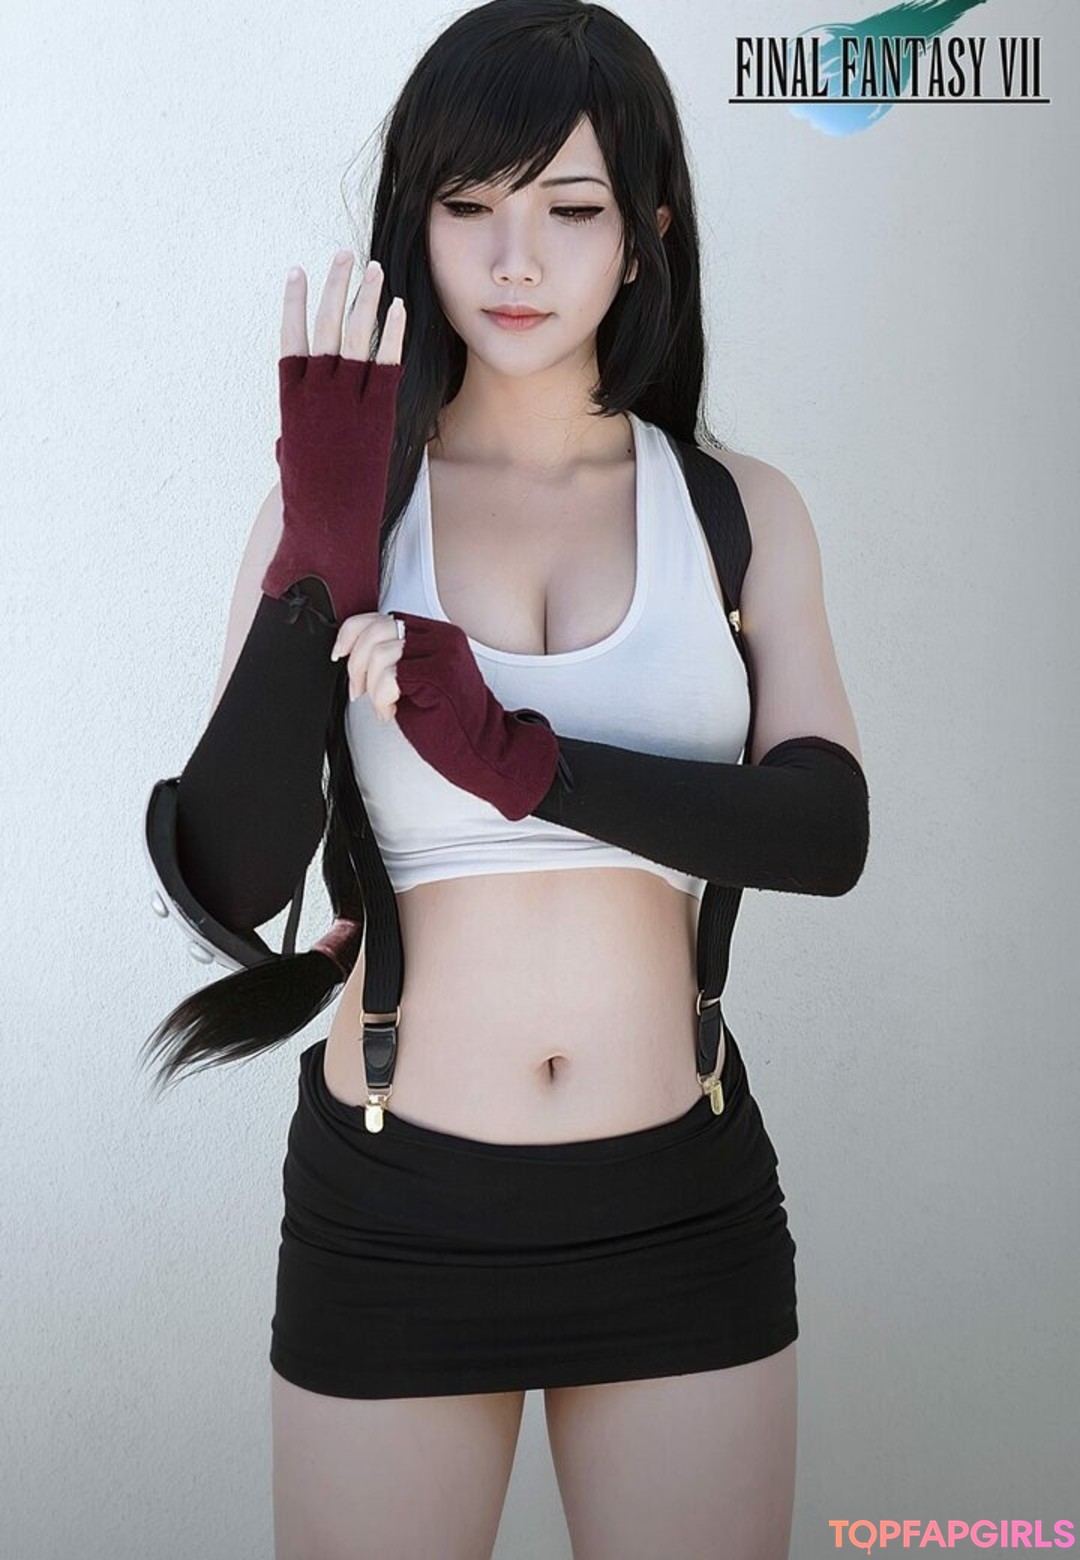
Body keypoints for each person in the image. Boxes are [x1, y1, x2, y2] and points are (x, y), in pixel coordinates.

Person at [141, 3, 870, 1556]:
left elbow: (824, 829)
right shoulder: (341, 512)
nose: (515, 260)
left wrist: (525, 764)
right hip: (394, 1213)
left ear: (648, 230)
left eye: (571, 208)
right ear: (416, 223)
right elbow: (232, 874)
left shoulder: (739, 511)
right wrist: (320, 556)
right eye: (469, 205)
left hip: (682, 1204)